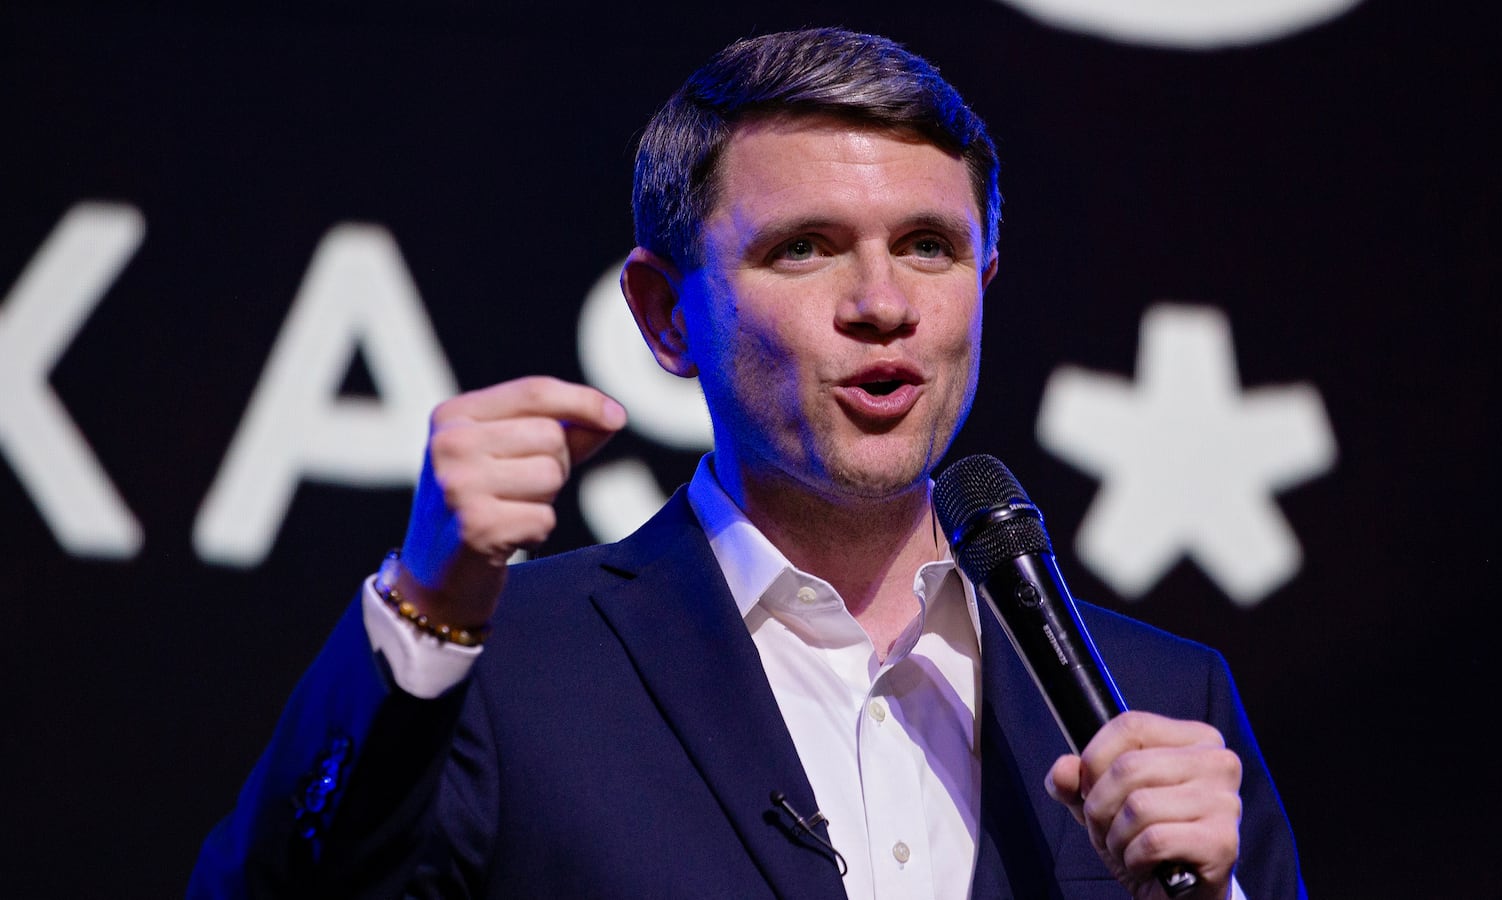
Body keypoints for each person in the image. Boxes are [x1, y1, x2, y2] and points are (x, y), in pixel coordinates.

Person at [190, 26, 1305, 900]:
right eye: (804, 248)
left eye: (929, 246)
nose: (883, 306)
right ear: (664, 313)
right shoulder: (507, 671)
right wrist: (428, 608)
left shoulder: (1159, 699)